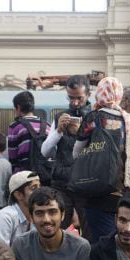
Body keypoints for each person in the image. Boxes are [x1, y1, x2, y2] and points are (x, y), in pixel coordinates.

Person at [72, 77, 130, 241]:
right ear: (119, 95)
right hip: (122, 190)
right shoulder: (128, 120)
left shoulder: (93, 118)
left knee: (101, 243)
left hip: (97, 189)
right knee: (119, 240)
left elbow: (76, 153)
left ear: (99, 93)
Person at [41, 74, 91, 229]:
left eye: (79, 98)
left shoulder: (94, 117)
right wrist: (58, 131)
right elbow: (45, 151)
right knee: (58, 226)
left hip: (86, 182)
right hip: (62, 182)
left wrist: (81, 135)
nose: (74, 103)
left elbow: (97, 150)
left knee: (88, 228)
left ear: (88, 95)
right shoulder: (60, 117)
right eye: (70, 98)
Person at [0, 170, 40, 246]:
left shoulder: (36, 216)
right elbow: (0, 252)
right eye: (33, 188)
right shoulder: (5, 217)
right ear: (18, 195)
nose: (40, 191)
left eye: (39, 186)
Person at [8, 91, 50, 175]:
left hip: (23, 175)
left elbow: (12, 156)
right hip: (46, 173)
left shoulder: (14, 126)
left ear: (18, 107)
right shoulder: (47, 125)